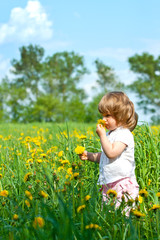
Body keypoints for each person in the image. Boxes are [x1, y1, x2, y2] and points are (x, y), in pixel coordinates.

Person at [79, 91, 139, 215]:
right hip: (109, 184)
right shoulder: (110, 134)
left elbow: (111, 153)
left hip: (122, 183)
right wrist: (89, 155)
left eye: (108, 116)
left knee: (125, 217)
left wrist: (101, 136)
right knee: (110, 217)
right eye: (102, 116)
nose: (103, 120)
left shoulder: (124, 134)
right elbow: (105, 156)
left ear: (121, 115)